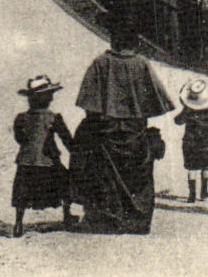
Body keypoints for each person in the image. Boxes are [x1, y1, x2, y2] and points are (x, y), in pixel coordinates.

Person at [68, 20, 174, 233]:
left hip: (106, 131)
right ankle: (135, 220)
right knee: (137, 175)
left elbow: (90, 105)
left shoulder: (101, 62)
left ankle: (106, 218)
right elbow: (155, 102)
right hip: (135, 131)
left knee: (97, 167)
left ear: (114, 40)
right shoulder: (141, 64)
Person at [11, 75, 75, 237]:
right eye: (50, 95)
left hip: (26, 162)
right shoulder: (54, 118)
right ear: (45, 99)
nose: (52, 98)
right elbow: (66, 139)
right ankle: (67, 216)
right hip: (48, 162)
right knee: (66, 182)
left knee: (22, 192)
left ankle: (18, 224)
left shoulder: (21, 119)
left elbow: (20, 139)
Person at [174, 78, 208, 204]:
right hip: (207, 142)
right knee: (206, 167)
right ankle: (204, 192)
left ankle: (191, 195)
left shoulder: (188, 110)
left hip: (190, 143)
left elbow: (177, 121)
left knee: (191, 168)